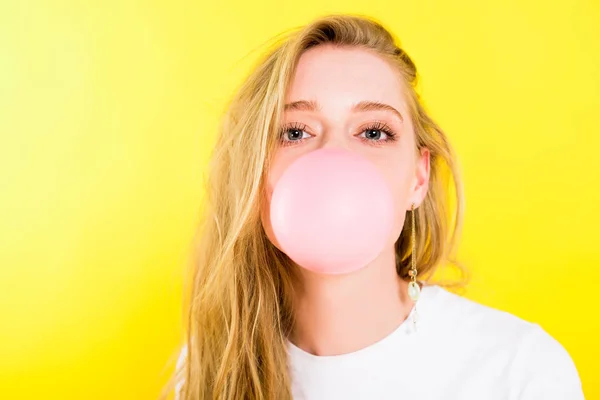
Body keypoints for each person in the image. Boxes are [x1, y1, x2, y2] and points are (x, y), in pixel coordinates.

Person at [165, 13, 584, 400]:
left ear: (418, 179)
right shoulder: (210, 366)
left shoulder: (519, 370)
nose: (334, 156)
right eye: (294, 132)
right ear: (254, 175)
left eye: (374, 132)